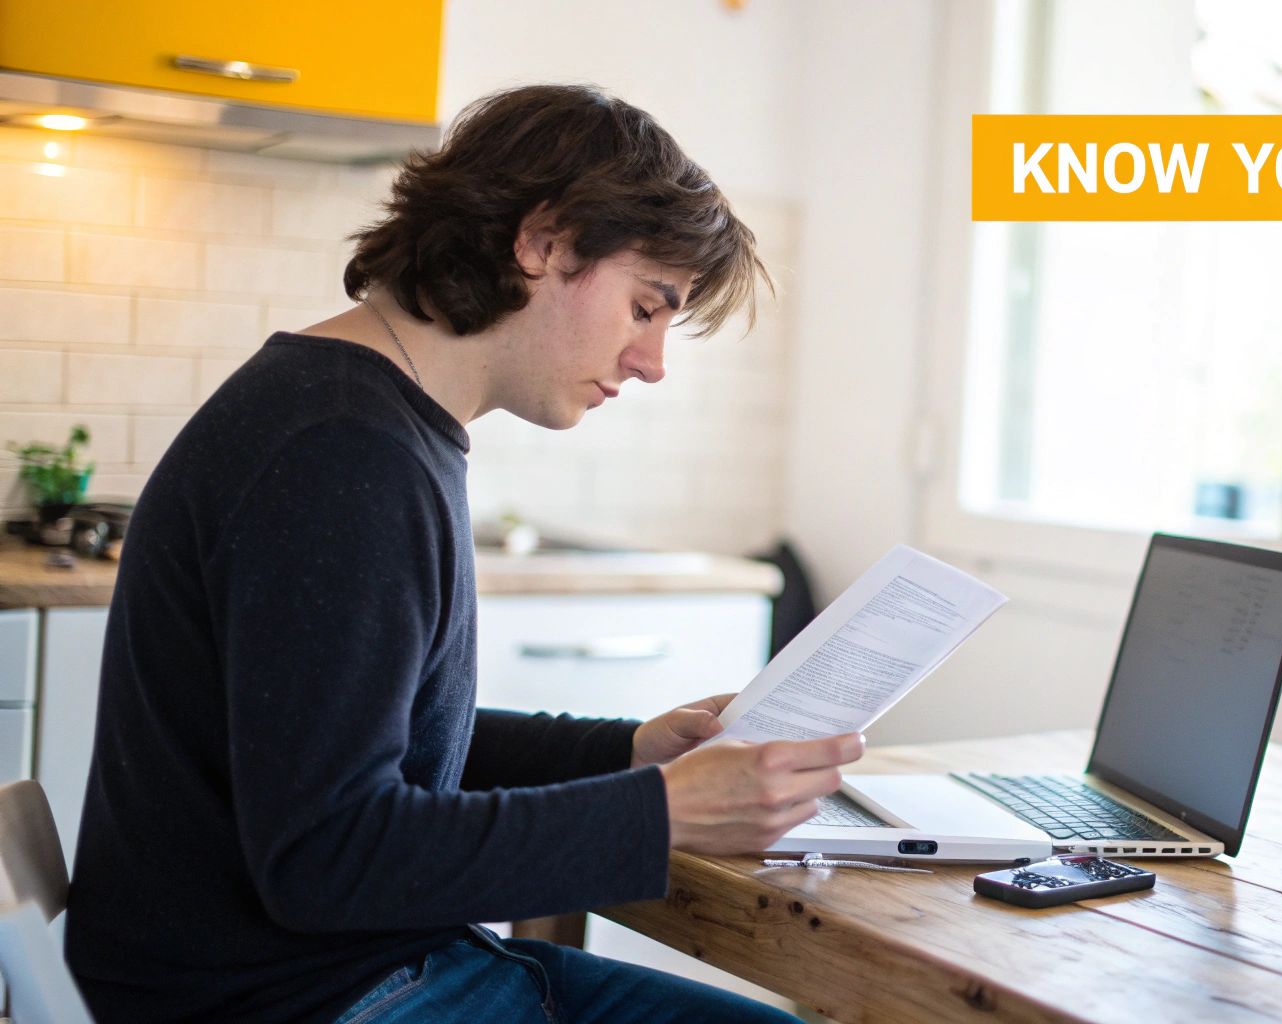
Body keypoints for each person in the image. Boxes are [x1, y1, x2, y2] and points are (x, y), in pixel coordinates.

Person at [62, 84, 861, 1023]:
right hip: (296, 999)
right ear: (546, 242)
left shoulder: (357, 416)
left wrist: (630, 753)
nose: (651, 362)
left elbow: (377, 752)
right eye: (647, 307)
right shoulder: (341, 455)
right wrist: (662, 813)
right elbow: (330, 857)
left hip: (320, 975)